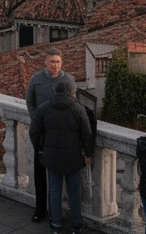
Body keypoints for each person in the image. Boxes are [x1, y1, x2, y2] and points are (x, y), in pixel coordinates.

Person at [29, 81, 92, 234]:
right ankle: (76, 225)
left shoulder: (44, 108)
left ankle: (56, 224)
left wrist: (40, 148)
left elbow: (34, 132)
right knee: (74, 192)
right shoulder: (79, 110)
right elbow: (87, 134)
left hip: (51, 157)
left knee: (55, 191)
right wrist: (88, 154)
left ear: (55, 91)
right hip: (73, 157)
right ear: (72, 92)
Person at [26, 48, 75, 224]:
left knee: (58, 174)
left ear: (61, 63)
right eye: (51, 61)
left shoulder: (69, 81)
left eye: (57, 61)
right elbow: (29, 102)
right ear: (45, 62)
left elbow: (73, 105)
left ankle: (58, 212)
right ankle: (40, 210)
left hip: (59, 135)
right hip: (41, 135)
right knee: (39, 173)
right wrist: (36, 119)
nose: (54, 65)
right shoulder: (36, 79)